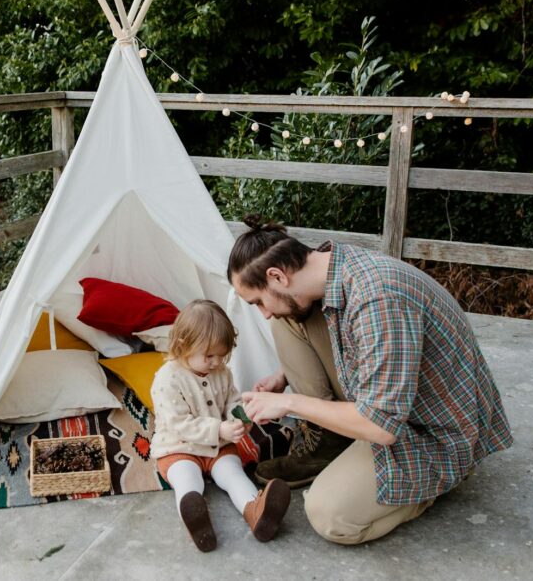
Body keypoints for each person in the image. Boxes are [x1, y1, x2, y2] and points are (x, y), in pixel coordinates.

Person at [228, 217, 513, 545]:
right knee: (287, 320)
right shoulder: (331, 267)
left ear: (277, 275)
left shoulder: (378, 298)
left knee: (329, 515)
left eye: (259, 301)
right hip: (390, 401)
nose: (262, 313)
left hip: (432, 433)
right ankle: (333, 438)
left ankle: (430, 486)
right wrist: (284, 376)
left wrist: (291, 402)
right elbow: (348, 336)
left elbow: (383, 427)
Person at [150, 299, 291, 552]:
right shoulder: (167, 379)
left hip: (219, 447)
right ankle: (197, 521)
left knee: (233, 474)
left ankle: (256, 511)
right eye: (209, 356)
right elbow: (178, 423)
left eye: (222, 355)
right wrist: (218, 429)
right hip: (179, 448)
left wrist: (240, 418)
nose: (216, 362)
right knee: (187, 479)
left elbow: (231, 401)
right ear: (184, 347)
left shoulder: (222, 372)